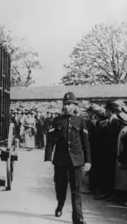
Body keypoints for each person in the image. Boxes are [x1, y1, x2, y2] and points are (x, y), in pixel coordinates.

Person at [45, 92, 91, 224]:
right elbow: (50, 141)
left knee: (76, 190)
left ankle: (78, 217)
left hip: (76, 160)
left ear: (75, 106)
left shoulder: (80, 121)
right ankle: (60, 204)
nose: (67, 107)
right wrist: (48, 158)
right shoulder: (57, 121)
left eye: (70, 104)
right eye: (65, 104)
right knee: (60, 186)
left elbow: (85, 142)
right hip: (60, 160)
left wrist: (88, 160)